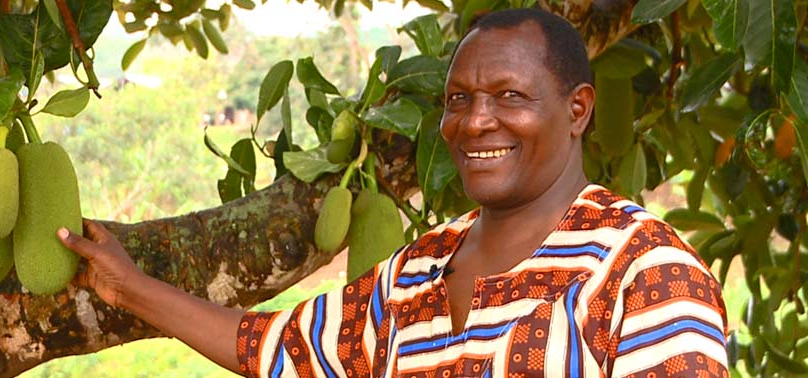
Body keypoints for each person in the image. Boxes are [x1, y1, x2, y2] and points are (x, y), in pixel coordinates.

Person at [56, 8, 729, 377]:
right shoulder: (416, 274)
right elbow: (277, 347)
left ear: (578, 110)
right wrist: (127, 287)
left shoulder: (645, 272)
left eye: (509, 97)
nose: (475, 122)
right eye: (458, 100)